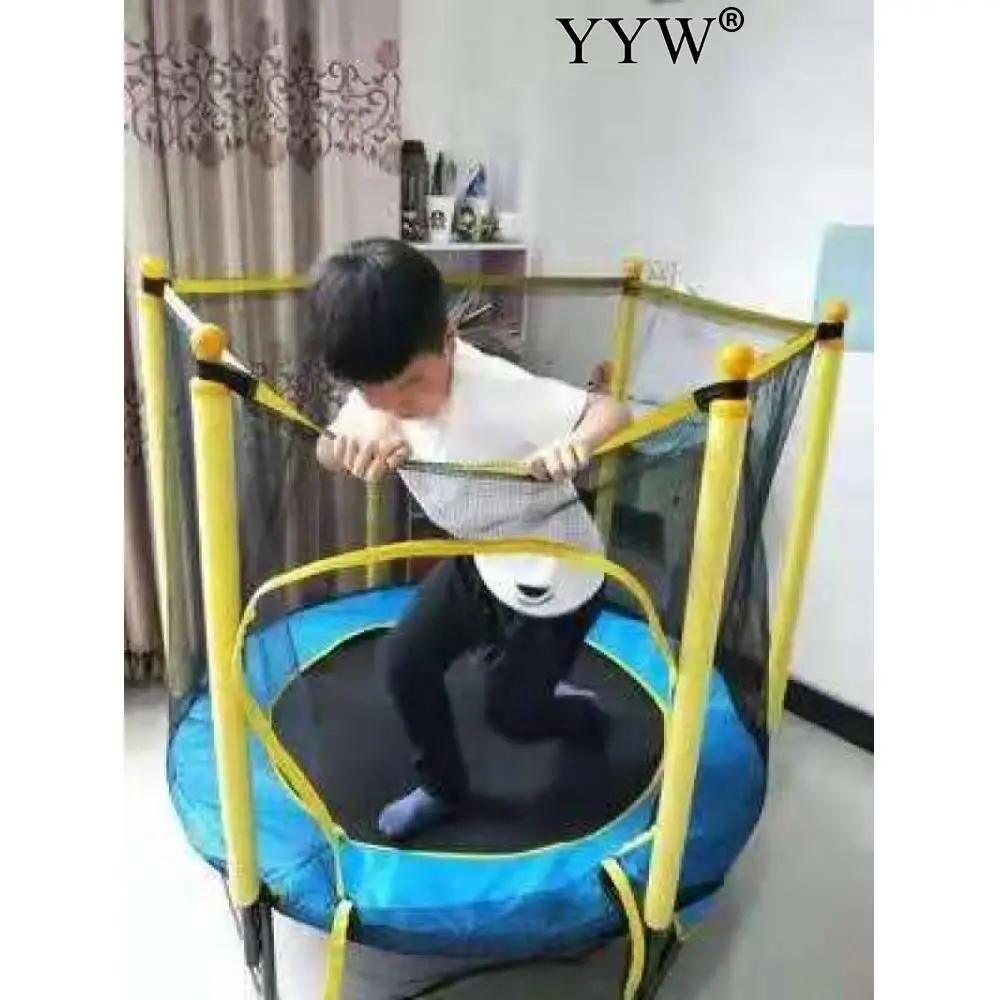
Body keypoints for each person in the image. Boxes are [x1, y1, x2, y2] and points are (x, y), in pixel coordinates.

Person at [308, 238, 632, 841]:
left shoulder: (497, 389)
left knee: (513, 715)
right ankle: (443, 786)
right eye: (379, 393)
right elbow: (325, 449)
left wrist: (578, 442)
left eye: (412, 383)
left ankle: (579, 713)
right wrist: (356, 435)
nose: (402, 404)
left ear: (450, 339)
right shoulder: (377, 389)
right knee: (403, 662)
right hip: (483, 555)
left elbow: (612, 410)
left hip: (557, 567)